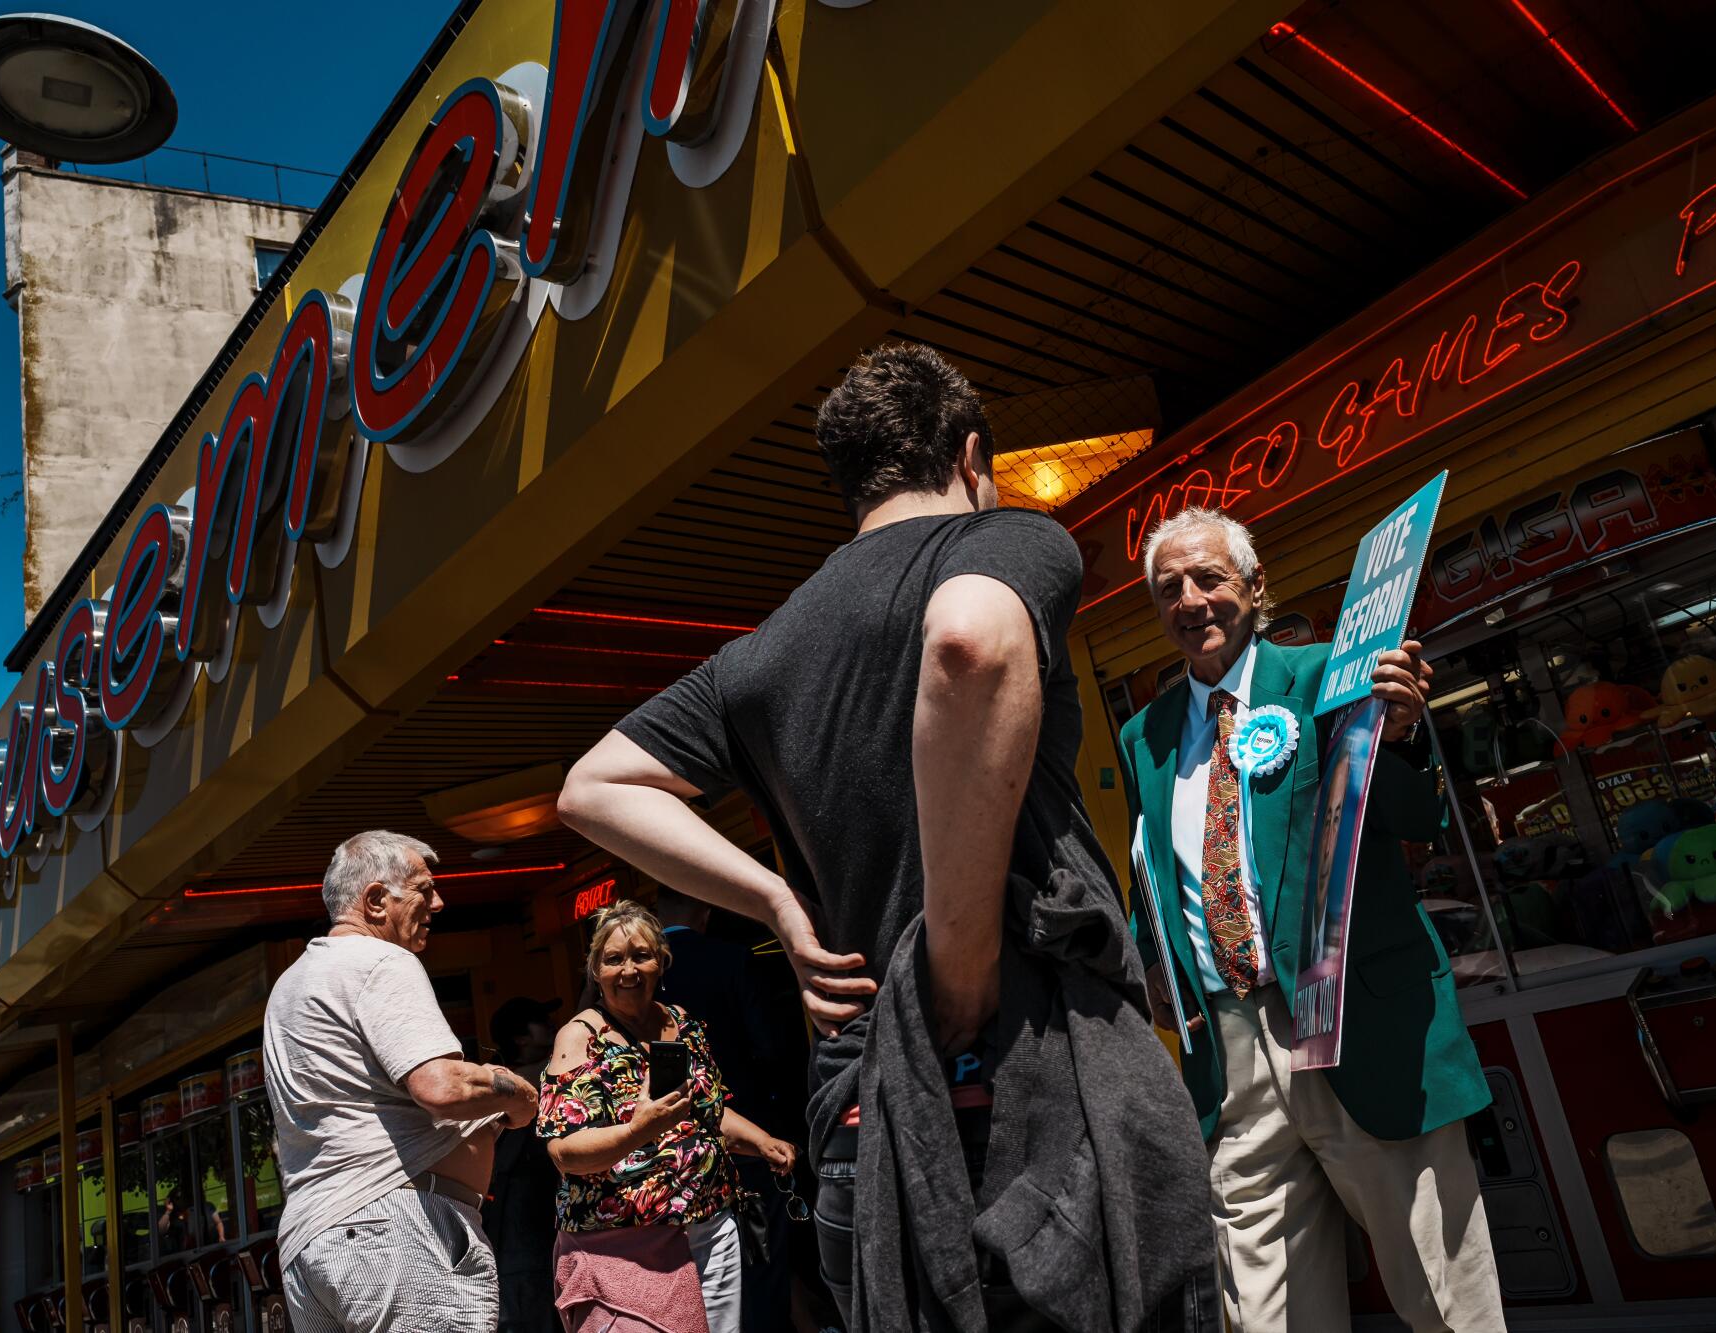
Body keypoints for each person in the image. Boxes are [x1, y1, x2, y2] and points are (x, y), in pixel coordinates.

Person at [558, 341, 1219, 1332]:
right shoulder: (1003, 540)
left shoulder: (759, 653)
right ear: (968, 455)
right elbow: (968, 640)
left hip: (859, 1127)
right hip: (1030, 1080)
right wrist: (957, 968)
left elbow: (593, 785)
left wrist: (778, 903)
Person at [1122, 507, 1503, 1333]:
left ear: (1257, 587)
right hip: (1229, 1061)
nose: (1189, 600)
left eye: (1209, 579)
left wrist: (1396, 735)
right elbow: (1150, 867)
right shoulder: (1142, 735)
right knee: (1265, 1319)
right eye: (1168, 588)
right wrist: (1153, 964)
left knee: (1445, 1298)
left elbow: (1410, 818)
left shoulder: (1334, 672)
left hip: (1355, 1024)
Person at [263, 831, 539, 1333]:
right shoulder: (382, 961)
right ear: (374, 900)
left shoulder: (291, 983)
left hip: (315, 1241)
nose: (438, 902)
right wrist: (516, 1092)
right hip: (393, 1233)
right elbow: (442, 1088)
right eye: (423, 889)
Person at [537, 898, 797, 1333]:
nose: (629, 970)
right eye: (614, 959)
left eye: (641, 956)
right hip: (626, 1244)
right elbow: (565, 1152)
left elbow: (707, 1112)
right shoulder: (580, 1037)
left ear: (662, 960)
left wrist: (762, 1141)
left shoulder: (681, 1023)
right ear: (596, 971)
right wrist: (641, 1129)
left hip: (710, 1227)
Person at [654, 889, 800, 1333]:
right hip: (743, 1124)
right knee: (761, 1253)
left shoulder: (652, 985)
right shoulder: (732, 959)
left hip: (677, 1146)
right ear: (705, 908)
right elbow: (769, 1046)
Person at [484, 996, 564, 1333]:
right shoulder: (507, 1084)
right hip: (518, 1231)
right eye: (540, 1020)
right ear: (519, 1038)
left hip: (548, 1226)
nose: (552, 1024)